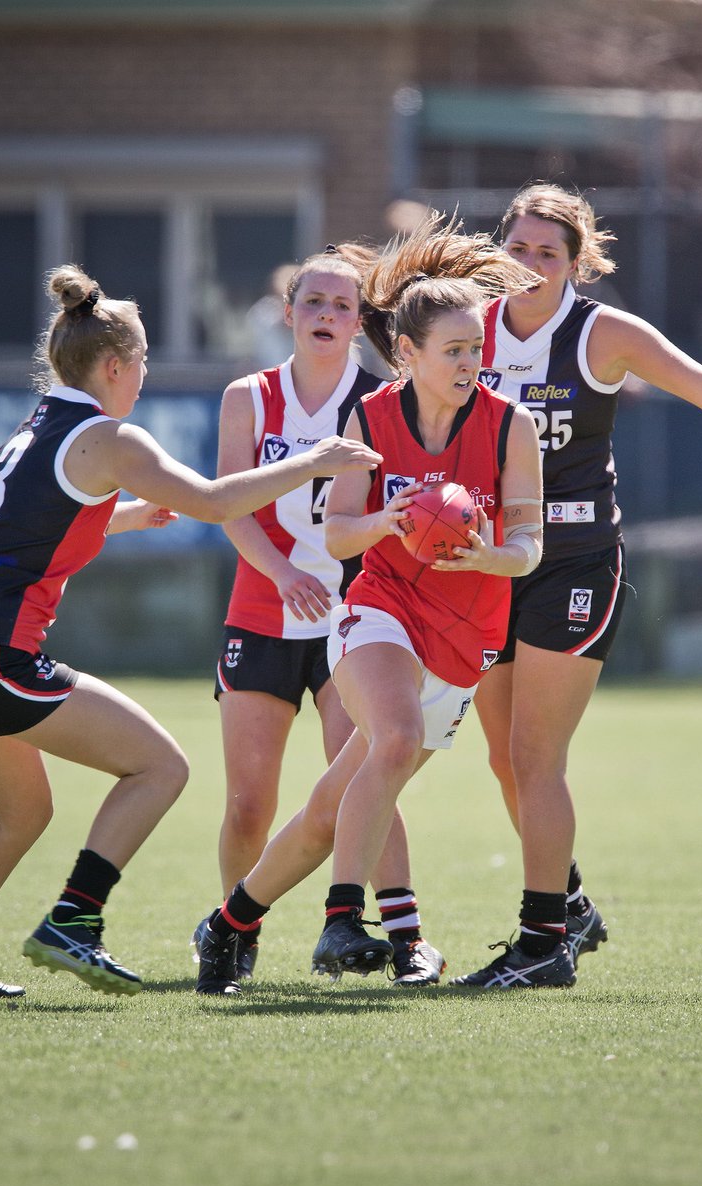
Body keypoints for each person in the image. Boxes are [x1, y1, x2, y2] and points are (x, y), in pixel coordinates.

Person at [0, 264, 380, 1001]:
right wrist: (315, 461)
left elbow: (30, 525)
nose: (146, 374)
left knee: (22, 812)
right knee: (160, 767)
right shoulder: (112, 438)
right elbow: (219, 502)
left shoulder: (39, 424)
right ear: (116, 366)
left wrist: (121, 516)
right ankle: (75, 922)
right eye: (146, 361)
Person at [464, 182, 702, 988]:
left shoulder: (603, 333)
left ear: (577, 264)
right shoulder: (470, 331)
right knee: (503, 759)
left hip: (574, 560)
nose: (531, 263)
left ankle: (542, 949)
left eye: (549, 251)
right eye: (520, 246)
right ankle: (568, 906)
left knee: (538, 755)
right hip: (493, 563)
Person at [192, 213, 550, 995]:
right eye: (454, 352)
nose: (470, 365)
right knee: (393, 738)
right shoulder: (373, 418)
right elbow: (342, 534)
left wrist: (494, 555)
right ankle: (341, 920)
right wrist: (390, 521)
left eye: (477, 352)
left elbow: (530, 543)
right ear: (408, 354)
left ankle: (231, 920)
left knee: (333, 803)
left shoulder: (510, 426)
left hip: (466, 635)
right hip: (378, 610)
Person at [192, 245, 443, 988]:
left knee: (369, 775)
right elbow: (228, 504)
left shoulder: (382, 400)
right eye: (315, 303)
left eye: (342, 305)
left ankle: (405, 938)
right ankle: (236, 938)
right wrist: (282, 571)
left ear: (360, 318)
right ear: (289, 313)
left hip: (352, 616)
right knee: (247, 804)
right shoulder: (250, 396)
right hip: (262, 608)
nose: (328, 316)